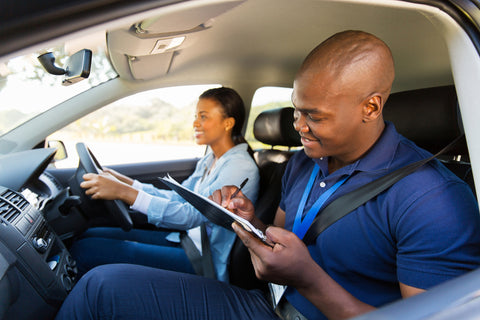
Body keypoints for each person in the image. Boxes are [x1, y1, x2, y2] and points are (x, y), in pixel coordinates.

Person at [55, 30, 480, 320]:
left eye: (314, 115)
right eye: (296, 108)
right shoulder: (302, 163)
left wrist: (307, 278)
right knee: (103, 286)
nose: (298, 124)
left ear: (369, 107)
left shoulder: (432, 200)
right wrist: (248, 220)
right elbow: (276, 236)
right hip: (269, 306)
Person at [69, 86, 260, 282]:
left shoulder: (240, 167)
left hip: (204, 261)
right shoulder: (211, 159)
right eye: (196, 116)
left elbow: (191, 216)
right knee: (90, 234)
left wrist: (124, 192)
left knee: (85, 251)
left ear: (228, 123)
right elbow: (179, 197)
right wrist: (127, 182)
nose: (195, 123)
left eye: (203, 116)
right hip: (185, 240)